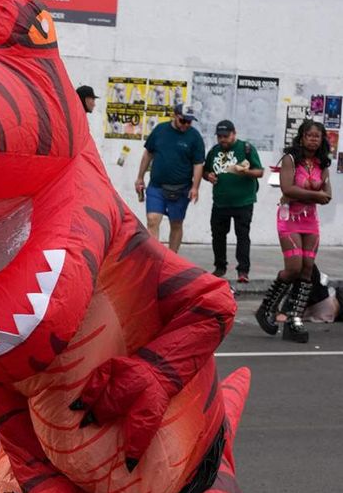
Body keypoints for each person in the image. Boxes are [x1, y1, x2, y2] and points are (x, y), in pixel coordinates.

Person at [255, 119, 332, 343]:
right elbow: (287, 189)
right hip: (290, 219)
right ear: (301, 137)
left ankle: (294, 320)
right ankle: (267, 307)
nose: (313, 139)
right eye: (309, 135)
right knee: (294, 267)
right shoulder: (290, 160)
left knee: (307, 269)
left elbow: (328, 196)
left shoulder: (322, 163)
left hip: (311, 221)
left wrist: (310, 195)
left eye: (317, 136)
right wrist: (315, 195)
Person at [134, 104, 205, 254]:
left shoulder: (195, 137)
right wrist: (140, 177)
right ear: (174, 115)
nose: (186, 125)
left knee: (176, 223)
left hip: (181, 188)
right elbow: (148, 154)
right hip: (157, 186)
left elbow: (198, 164)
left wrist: (195, 187)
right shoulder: (160, 130)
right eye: (182, 121)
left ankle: (171, 259)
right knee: (152, 219)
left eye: (189, 122)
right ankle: (154, 257)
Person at [203, 119, 263, 282]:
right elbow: (205, 170)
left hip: (243, 201)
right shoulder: (214, 150)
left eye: (226, 136)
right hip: (220, 202)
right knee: (218, 235)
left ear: (234, 134)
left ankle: (243, 271)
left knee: (242, 236)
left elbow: (260, 172)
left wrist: (246, 172)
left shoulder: (246, 148)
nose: (222, 139)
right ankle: (220, 267)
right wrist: (208, 176)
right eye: (220, 136)